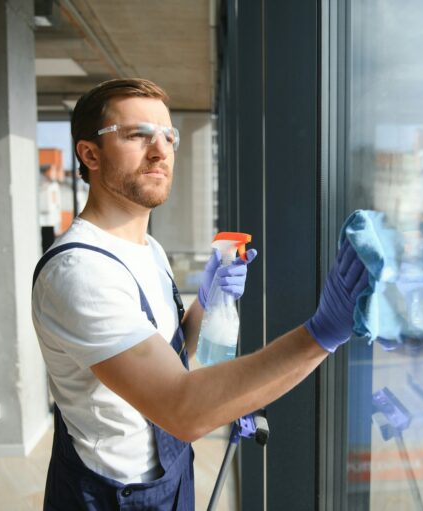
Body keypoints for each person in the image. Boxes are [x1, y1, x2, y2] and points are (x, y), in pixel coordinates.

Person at [31, 78, 368, 510]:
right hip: (114, 495)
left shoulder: (147, 248)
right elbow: (181, 409)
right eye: (137, 135)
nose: (160, 151)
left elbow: (168, 356)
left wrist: (203, 304)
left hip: (168, 477)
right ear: (90, 153)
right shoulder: (80, 272)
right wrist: (321, 334)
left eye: (168, 136)